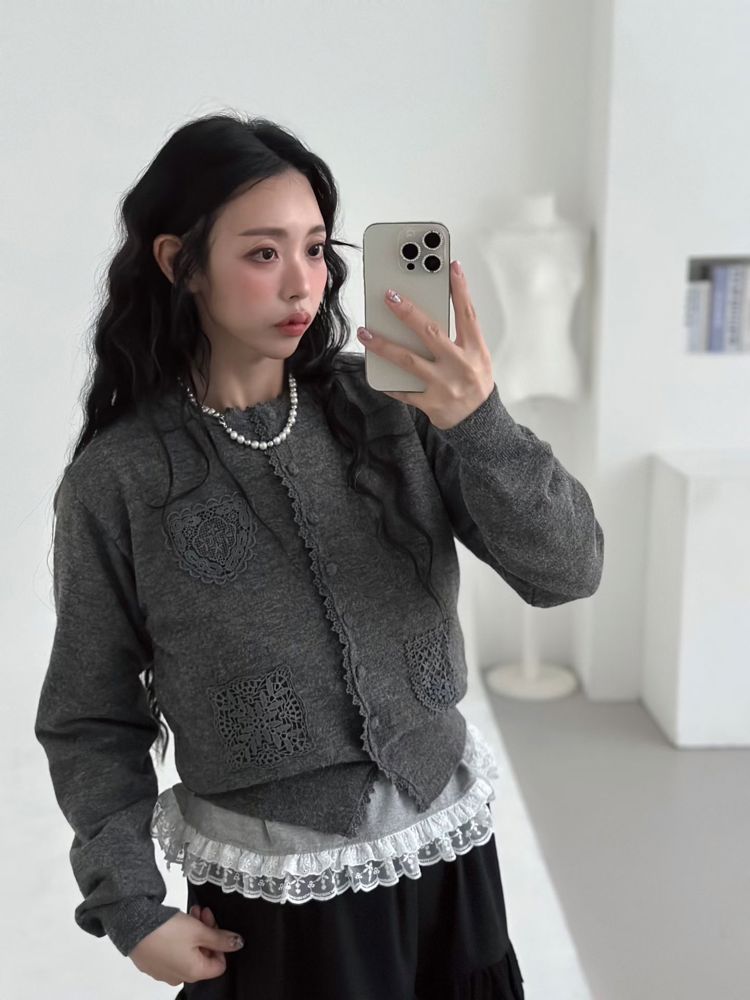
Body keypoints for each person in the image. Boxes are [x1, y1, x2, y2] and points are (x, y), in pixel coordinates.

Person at [35, 111, 604, 999]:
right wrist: (131, 907)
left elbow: (569, 571)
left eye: (313, 249)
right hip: (278, 900)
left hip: (449, 864)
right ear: (180, 262)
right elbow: (90, 715)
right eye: (264, 253)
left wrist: (479, 423)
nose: (303, 283)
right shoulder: (120, 480)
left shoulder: (396, 409)